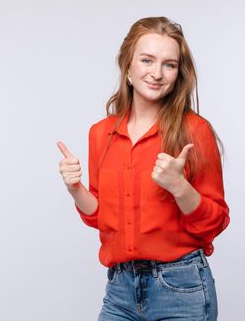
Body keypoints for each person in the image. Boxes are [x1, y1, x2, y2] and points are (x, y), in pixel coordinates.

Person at [57, 16, 230, 320]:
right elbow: (102, 217)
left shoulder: (195, 131)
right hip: (120, 288)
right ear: (127, 68)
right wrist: (76, 189)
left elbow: (215, 223)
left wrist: (179, 186)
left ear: (178, 74)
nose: (157, 73)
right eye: (147, 60)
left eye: (169, 64)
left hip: (181, 286)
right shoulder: (101, 133)